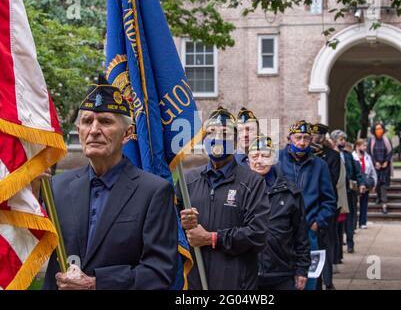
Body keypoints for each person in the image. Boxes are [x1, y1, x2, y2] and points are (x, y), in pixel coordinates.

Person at [43, 77, 179, 289]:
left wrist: (96, 283)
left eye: (105, 121)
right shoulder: (56, 188)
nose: (94, 130)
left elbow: (159, 271)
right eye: (87, 121)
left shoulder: (153, 192)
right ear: (79, 131)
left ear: (127, 134)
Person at [178, 106, 270, 290]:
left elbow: (258, 234)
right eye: (211, 133)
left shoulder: (252, 182)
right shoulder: (187, 180)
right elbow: (166, 228)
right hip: (196, 282)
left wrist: (212, 238)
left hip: (237, 284)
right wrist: (181, 223)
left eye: (225, 133)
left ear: (235, 142)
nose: (217, 138)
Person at [277, 120, 336, 290]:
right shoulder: (277, 160)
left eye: (306, 138)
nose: (302, 142)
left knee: (308, 282)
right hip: (282, 232)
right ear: (289, 138)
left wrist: (318, 223)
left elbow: (329, 200)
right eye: (298, 138)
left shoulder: (320, 165)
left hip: (309, 231)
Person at [247, 135, 310, 290]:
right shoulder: (239, 191)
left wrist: (302, 269)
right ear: (248, 160)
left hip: (281, 273)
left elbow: (301, 234)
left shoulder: (290, 192)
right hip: (247, 273)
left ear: (274, 159)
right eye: (255, 156)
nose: (260, 160)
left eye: (265, 155)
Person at [311, 123, 341, 288]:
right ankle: (313, 280)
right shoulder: (306, 155)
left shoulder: (332, 156)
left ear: (322, 137)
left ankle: (328, 281)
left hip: (326, 206)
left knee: (326, 244)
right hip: (309, 206)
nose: (314, 138)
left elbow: (332, 181)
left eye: (317, 135)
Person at [330, 130, 365, 254]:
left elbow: (358, 172)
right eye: (341, 139)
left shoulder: (349, 155)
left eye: (344, 139)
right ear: (334, 141)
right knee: (338, 222)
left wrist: (361, 184)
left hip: (349, 192)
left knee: (350, 219)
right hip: (336, 194)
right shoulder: (330, 155)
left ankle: (350, 244)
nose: (343, 142)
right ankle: (338, 249)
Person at [367, 123, 393, 214]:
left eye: (380, 129)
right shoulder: (371, 141)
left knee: (383, 185)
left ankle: (384, 204)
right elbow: (369, 153)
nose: (379, 131)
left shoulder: (386, 140)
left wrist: (386, 162)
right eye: (377, 129)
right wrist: (375, 163)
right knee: (377, 183)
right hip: (375, 166)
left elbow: (390, 152)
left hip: (385, 167)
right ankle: (378, 197)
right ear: (374, 131)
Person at [353, 139, 377, 229]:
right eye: (364, 145)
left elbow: (372, 171)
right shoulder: (353, 156)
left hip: (366, 182)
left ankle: (363, 222)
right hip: (356, 183)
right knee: (354, 204)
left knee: (364, 203)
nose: (365, 147)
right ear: (358, 146)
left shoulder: (367, 157)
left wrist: (374, 183)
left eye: (366, 146)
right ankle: (353, 223)